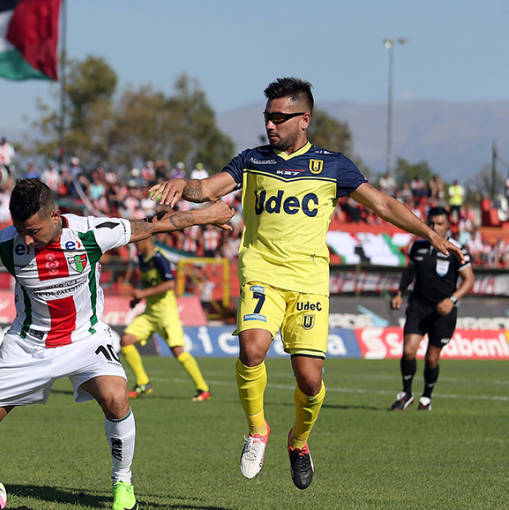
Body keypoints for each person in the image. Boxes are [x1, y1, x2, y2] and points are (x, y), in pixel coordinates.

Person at [148, 77, 465, 490]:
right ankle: (257, 430)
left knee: (310, 379)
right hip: (261, 272)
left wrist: (430, 233)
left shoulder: (333, 165)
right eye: (267, 116)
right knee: (252, 347)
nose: (271, 125)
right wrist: (181, 187)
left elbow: (383, 204)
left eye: (279, 117)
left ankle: (298, 441)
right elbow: (207, 188)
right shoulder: (252, 160)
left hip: (310, 282)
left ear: (304, 120)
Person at [0, 178, 234, 510]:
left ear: (56, 217)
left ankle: (122, 483)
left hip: (86, 338)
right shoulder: (8, 243)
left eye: (34, 230)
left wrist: (205, 215)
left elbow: (152, 225)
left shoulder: (90, 232)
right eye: (21, 230)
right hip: (28, 345)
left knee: (116, 398)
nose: (27, 238)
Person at [390, 206, 474, 411]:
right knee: (409, 350)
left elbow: (469, 280)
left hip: (443, 311)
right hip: (418, 306)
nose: (435, 227)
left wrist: (452, 299)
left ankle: (426, 397)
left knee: (431, 357)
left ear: (448, 225)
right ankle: (406, 393)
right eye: (432, 223)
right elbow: (409, 272)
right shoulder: (418, 246)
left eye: (439, 223)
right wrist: (400, 292)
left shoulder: (456, 248)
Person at [120, 236, 211, 402]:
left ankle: (203, 388)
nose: (135, 243)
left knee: (177, 351)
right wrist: (138, 298)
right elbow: (148, 285)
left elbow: (170, 284)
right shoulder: (141, 258)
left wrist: (143, 294)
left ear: (147, 240)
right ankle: (143, 382)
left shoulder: (159, 258)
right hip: (150, 312)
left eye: (137, 240)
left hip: (166, 312)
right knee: (126, 340)